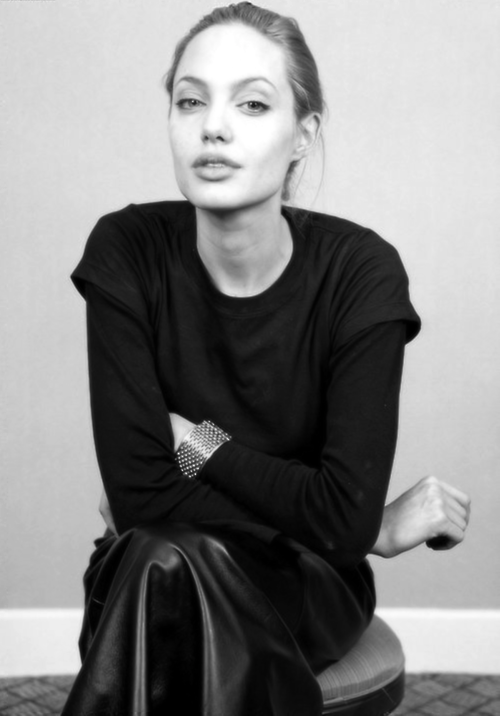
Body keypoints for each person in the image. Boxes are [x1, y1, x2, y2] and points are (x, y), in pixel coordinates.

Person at [62, 3, 471, 715]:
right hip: (158, 565)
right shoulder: (125, 251)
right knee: (165, 558)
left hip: (301, 579)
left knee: (162, 568)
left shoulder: (361, 275)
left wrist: (195, 444)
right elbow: (141, 500)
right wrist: (366, 528)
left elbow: (337, 521)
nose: (213, 127)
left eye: (251, 104)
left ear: (302, 135)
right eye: (191, 101)